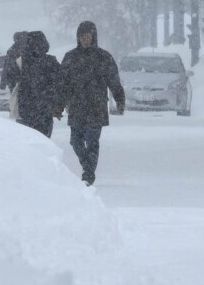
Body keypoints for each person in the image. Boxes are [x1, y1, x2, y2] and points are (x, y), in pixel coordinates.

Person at [56, 21, 125, 186]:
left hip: (96, 105)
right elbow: (63, 84)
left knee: (92, 141)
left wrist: (119, 99)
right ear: (78, 38)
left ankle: (88, 174)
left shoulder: (103, 57)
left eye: (88, 37)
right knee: (75, 141)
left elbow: (113, 80)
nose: (85, 40)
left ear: (94, 37)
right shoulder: (70, 57)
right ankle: (88, 166)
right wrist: (59, 104)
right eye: (82, 37)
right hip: (77, 105)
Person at [15, 31, 61, 138]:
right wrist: (57, 103)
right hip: (45, 108)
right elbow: (61, 82)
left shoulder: (22, 61)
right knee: (44, 139)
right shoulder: (51, 61)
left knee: (29, 141)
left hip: (27, 109)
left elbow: (14, 79)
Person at [0, 32, 28, 121]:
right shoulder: (28, 49)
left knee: (16, 100)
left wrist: (4, 82)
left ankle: (19, 116)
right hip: (25, 80)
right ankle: (23, 116)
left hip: (14, 80)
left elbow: (6, 66)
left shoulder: (12, 50)